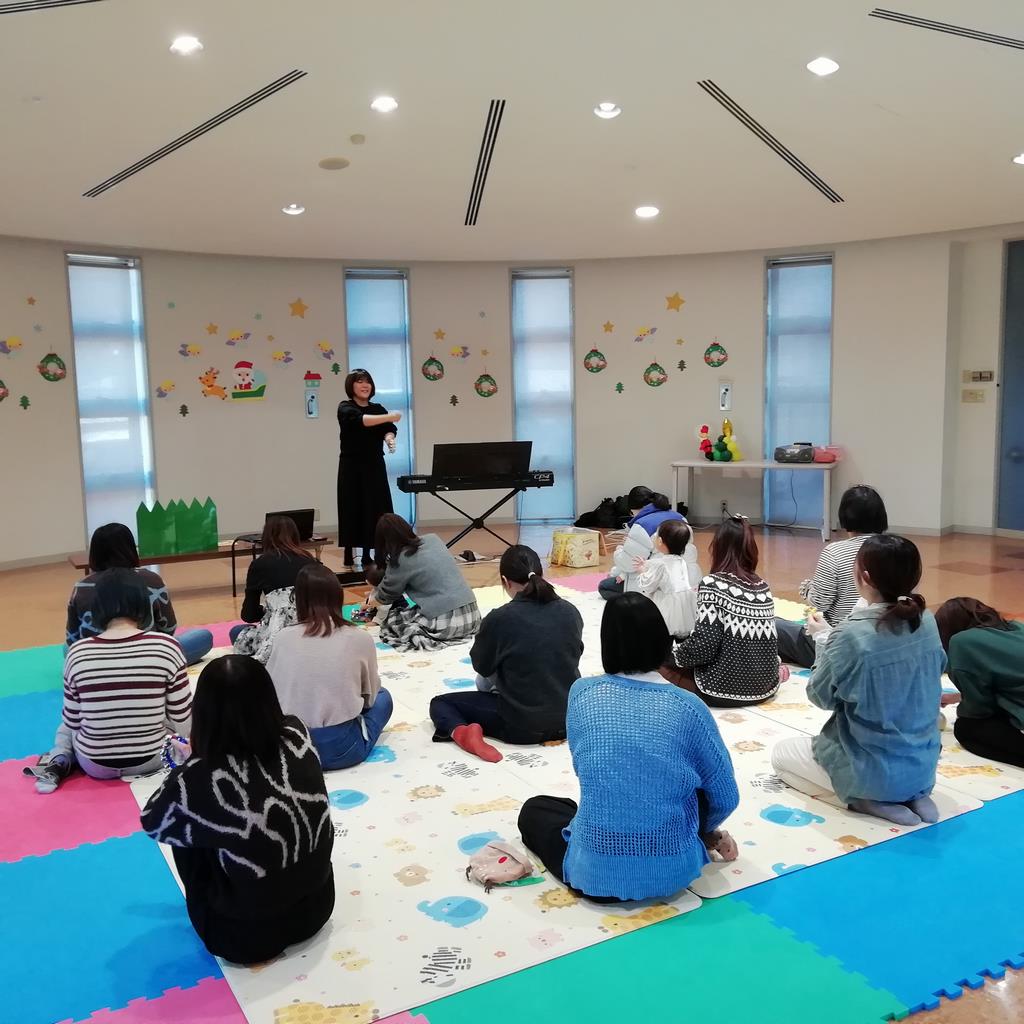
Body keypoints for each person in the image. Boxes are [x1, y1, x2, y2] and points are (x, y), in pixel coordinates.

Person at [518, 593, 740, 902]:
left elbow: (589, 770)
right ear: (663, 640)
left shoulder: (582, 694)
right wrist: (702, 829)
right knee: (692, 788)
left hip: (595, 873)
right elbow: (726, 796)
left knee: (538, 809)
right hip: (674, 871)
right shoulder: (689, 707)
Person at [140, 656, 334, 965]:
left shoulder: (199, 777)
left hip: (241, 938)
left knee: (187, 824)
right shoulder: (297, 732)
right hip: (318, 908)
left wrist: (187, 767)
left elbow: (153, 821)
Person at [771, 535, 945, 826]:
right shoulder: (926, 620)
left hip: (869, 770)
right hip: (923, 766)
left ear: (864, 576)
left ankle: (864, 799)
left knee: (780, 756)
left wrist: (824, 640)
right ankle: (914, 795)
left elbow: (820, 696)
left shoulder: (851, 634)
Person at [28, 568, 191, 794]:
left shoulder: (77, 653)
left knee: (66, 725)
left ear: (97, 607)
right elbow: (183, 720)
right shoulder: (167, 646)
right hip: (154, 758)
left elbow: (74, 722)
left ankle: (60, 758)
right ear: (142, 603)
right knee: (169, 712)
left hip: (94, 764)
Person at [429, 545, 584, 762]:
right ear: (541, 574)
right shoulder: (570, 611)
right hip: (569, 719)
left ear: (505, 581)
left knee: (441, 703)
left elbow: (482, 667)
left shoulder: (500, 618)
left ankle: (462, 733)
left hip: (520, 726)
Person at [266, 562, 393, 769]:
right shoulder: (359, 638)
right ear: (338, 595)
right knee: (383, 697)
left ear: (299, 600)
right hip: (341, 747)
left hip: (291, 747)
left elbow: (272, 693)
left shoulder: (282, 637)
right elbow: (369, 698)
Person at [667, 516, 781, 706]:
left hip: (720, 688)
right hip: (765, 688)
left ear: (718, 547)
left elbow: (703, 647)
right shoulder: (763, 587)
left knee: (656, 665)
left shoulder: (712, 584)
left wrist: (671, 654)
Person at [66, 522, 212, 665]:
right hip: (150, 658)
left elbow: (72, 638)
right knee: (203, 637)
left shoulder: (82, 586)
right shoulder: (151, 579)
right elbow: (169, 628)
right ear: (130, 548)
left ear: (94, 553)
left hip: (96, 661)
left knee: (66, 650)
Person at [776, 485, 888, 668]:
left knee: (771, 625)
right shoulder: (893, 549)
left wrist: (807, 589)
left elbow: (820, 603)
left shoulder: (835, 552)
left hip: (836, 644)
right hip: (885, 640)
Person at [364, 514, 481, 652]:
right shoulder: (433, 539)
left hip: (445, 623)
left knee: (392, 620)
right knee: (408, 613)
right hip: (472, 616)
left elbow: (386, 595)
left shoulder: (399, 559)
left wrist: (369, 603)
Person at [935, 597, 1024, 768]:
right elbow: (1011, 677)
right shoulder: (1017, 627)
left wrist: (966, 701)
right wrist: (958, 697)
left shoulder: (962, 642)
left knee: (966, 728)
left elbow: (978, 710)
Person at [337, 369, 402, 568]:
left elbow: (388, 428)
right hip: (352, 467)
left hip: (374, 464)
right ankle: (348, 552)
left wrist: (389, 437)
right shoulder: (345, 407)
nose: (365, 385)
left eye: (367, 382)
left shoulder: (378, 408)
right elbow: (362, 420)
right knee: (352, 506)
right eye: (359, 381)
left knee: (376, 507)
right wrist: (390, 416)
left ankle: (370, 553)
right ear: (351, 386)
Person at [231, 516, 314, 663]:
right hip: (314, 630)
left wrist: (270, 611)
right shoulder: (311, 561)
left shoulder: (259, 564)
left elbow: (249, 614)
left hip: (280, 635)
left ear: (266, 537)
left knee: (236, 631)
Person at [598, 487, 686, 600]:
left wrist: (620, 549)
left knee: (604, 586)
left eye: (631, 512)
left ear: (634, 508)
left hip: (653, 586)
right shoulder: (681, 518)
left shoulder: (642, 525)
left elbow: (628, 564)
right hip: (684, 582)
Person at [631, 519, 702, 637]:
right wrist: (647, 564)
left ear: (660, 541)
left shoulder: (660, 565)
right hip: (683, 603)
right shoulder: (681, 561)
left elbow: (648, 585)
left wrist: (642, 571)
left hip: (667, 605)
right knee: (680, 633)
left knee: (663, 630)